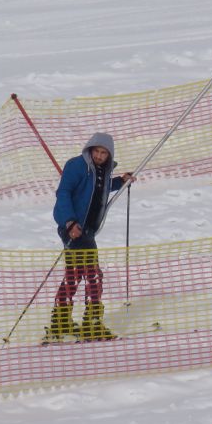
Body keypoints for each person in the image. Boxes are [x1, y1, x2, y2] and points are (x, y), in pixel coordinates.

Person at [47, 132, 135, 341]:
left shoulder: (102, 171)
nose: (99, 156)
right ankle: (92, 323)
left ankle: (61, 321)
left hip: (86, 230)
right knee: (93, 274)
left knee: (75, 273)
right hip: (73, 228)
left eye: (103, 153)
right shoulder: (76, 165)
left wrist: (120, 181)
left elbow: (98, 188)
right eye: (96, 151)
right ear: (89, 149)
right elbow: (64, 193)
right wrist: (69, 222)